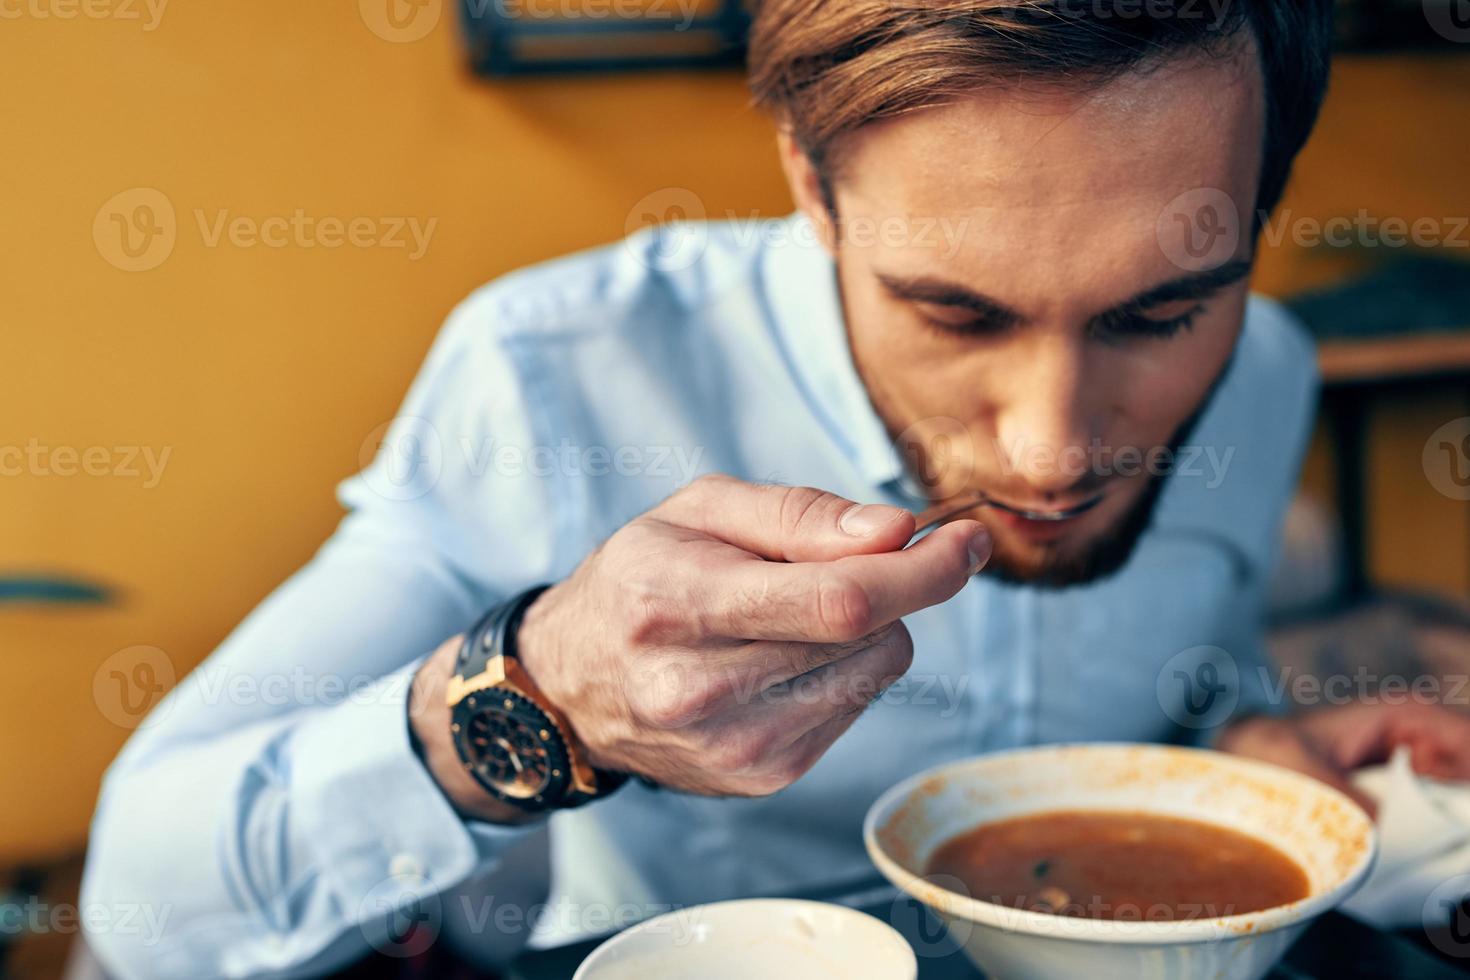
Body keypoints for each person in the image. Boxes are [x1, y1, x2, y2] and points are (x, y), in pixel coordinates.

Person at [81, 2, 1470, 977]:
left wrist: (1248, 744)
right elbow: (146, 906)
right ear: (810, 182)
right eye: (953, 313)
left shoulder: (1270, 364)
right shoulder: (556, 373)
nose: (1051, 451)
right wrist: (541, 705)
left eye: (1157, 318)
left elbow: (1188, 665)